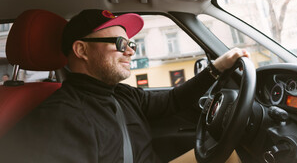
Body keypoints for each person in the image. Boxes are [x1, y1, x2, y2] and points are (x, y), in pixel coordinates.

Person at [0, 9, 249, 162]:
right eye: (120, 43)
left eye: (132, 44)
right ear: (81, 50)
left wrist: (217, 67)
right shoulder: (59, 118)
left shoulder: (120, 94)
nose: (130, 51)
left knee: (227, 154)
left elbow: (174, 100)